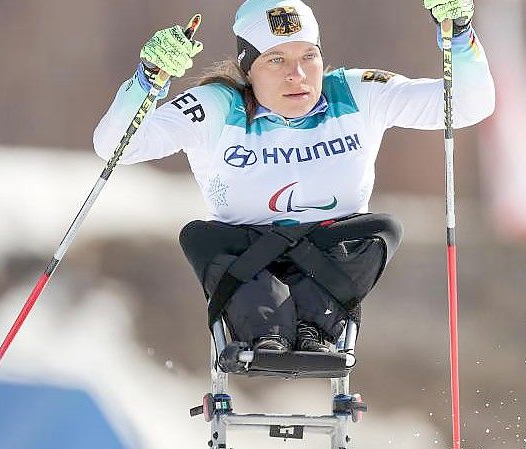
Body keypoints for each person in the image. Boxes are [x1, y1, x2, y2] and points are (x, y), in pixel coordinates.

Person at [94, 0, 494, 354]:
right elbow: (118, 147)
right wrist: (148, 79)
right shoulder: (217, 105)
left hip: (328, 256)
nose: (297, 75)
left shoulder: (357, 92)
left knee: (384, 227)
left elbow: (469, 105)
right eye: (276, 60)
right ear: (248, 69)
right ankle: (265, 330)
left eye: (309, 57)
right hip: (249, 255)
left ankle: (313, 326)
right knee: (199, 234)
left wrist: (459, 37)